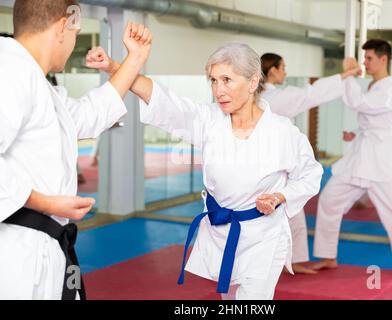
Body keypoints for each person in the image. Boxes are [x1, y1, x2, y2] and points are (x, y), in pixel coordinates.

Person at [86, 42, 324, 299]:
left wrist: (280, 197)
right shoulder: (209, 120)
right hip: (220, 233)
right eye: (213, 80)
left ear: (253, 82)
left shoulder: (282, 132)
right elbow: (164, 100)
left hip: (264, 238)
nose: (218, 90)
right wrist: (112, 66)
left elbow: (310, 174)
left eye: (227, 80)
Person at [0, 0, 151, 299]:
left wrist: (135, 59)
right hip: (18, 253)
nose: (73, 43)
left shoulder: (35, 81)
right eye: (74, 32)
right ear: (61, 27)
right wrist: (45, 203)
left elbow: (87, 114)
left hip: (41, 248)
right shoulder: (11, 71)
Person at [311, 39, 392, 276]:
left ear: (383, 59)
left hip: (383, 158)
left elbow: (360, 104)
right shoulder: (374, 85)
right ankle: (328, 256)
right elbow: (371, 117)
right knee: (330, 199)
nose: (365, 62)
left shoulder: (391, 88)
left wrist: (349, 74)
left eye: (369, 58)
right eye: (364, 59)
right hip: (361, 155)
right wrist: (356, 134)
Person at [260, 53, 361, 274]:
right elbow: (311, 95)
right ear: (273, 71)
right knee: (287, 211)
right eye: (283, 67)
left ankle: (291, 260)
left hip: (267, 164)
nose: (285, 72)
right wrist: (345, 75)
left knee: (289, 211)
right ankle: (280, 261)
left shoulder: (258, 97)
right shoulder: (275, 98)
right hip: (275, 166)